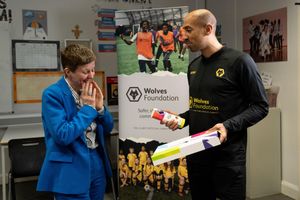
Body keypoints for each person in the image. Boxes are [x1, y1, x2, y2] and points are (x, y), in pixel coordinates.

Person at [163, 9, 269, 200]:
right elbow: (201, 107)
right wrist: (180, 119)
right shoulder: (193, 66)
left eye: (188, 30)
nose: (182, 36)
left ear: (208, 29)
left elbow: (260, 106)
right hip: (196, 155)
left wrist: (228, 126)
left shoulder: (240, 61)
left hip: (227, 159)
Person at [36, 44, 114, 200]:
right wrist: (88, 110)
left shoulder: (87, 90)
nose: (91, 75)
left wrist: (100, 109)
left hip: (96, 161)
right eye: (85, 71)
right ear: (68, 72)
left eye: (92, 69)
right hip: (70, 168)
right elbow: (63, 135)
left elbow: (108, 128)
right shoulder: (52, 94)